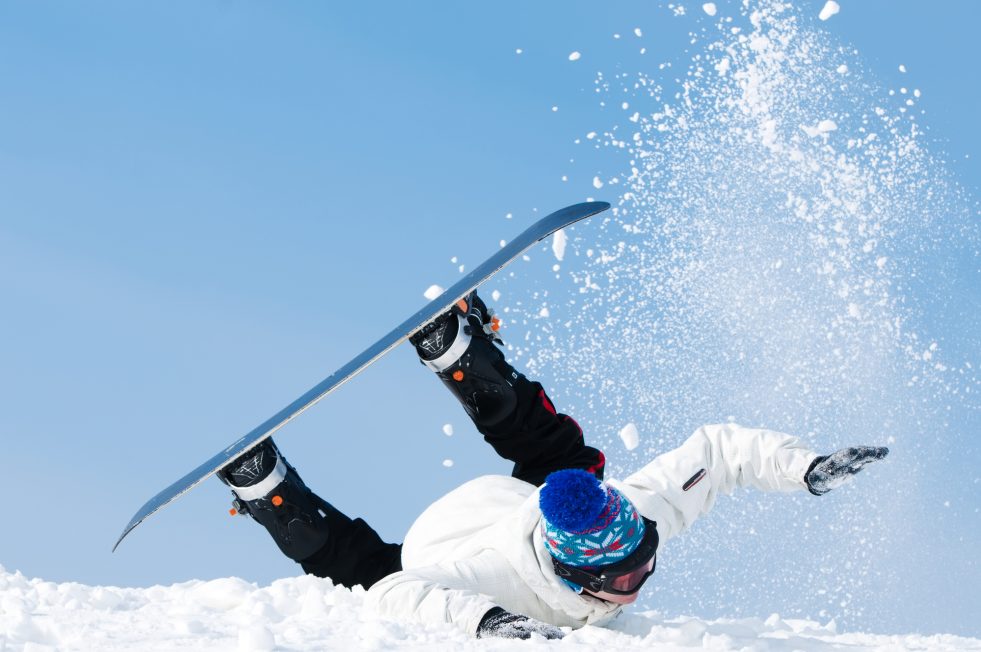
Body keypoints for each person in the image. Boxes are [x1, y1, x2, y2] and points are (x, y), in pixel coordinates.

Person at [218, 292, 889, 640]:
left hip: (506, 511)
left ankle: (461, 354)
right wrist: (484, 621)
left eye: (642, 558)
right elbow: (399, 598)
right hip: (448, 548)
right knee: (372, 576)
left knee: (570, 468)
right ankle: (274, 498)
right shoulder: (486, 579)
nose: (638, 579)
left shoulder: (632, 515)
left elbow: (714, 453)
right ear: (575, 571)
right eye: (623, 575)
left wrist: (804, 467)